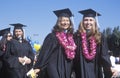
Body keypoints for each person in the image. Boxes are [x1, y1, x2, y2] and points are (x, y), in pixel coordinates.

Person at [73, 8, 117, 78]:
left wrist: (109, 68)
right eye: (86, 20)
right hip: (80, 69)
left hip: (95, 69)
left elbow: (104, 55)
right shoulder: (77, 36)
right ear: (82, 21)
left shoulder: (100, 36)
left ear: (94, 22)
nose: (88, 22)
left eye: (91, 20)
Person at [33, 8, 77, 78]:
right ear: (59, 22)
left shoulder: (71, 38)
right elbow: (45, 53)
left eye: (67, 20)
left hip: (67, 67)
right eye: (63, 20)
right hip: (54, 67)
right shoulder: (52, 36)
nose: (65, 23)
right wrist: (39, 66)